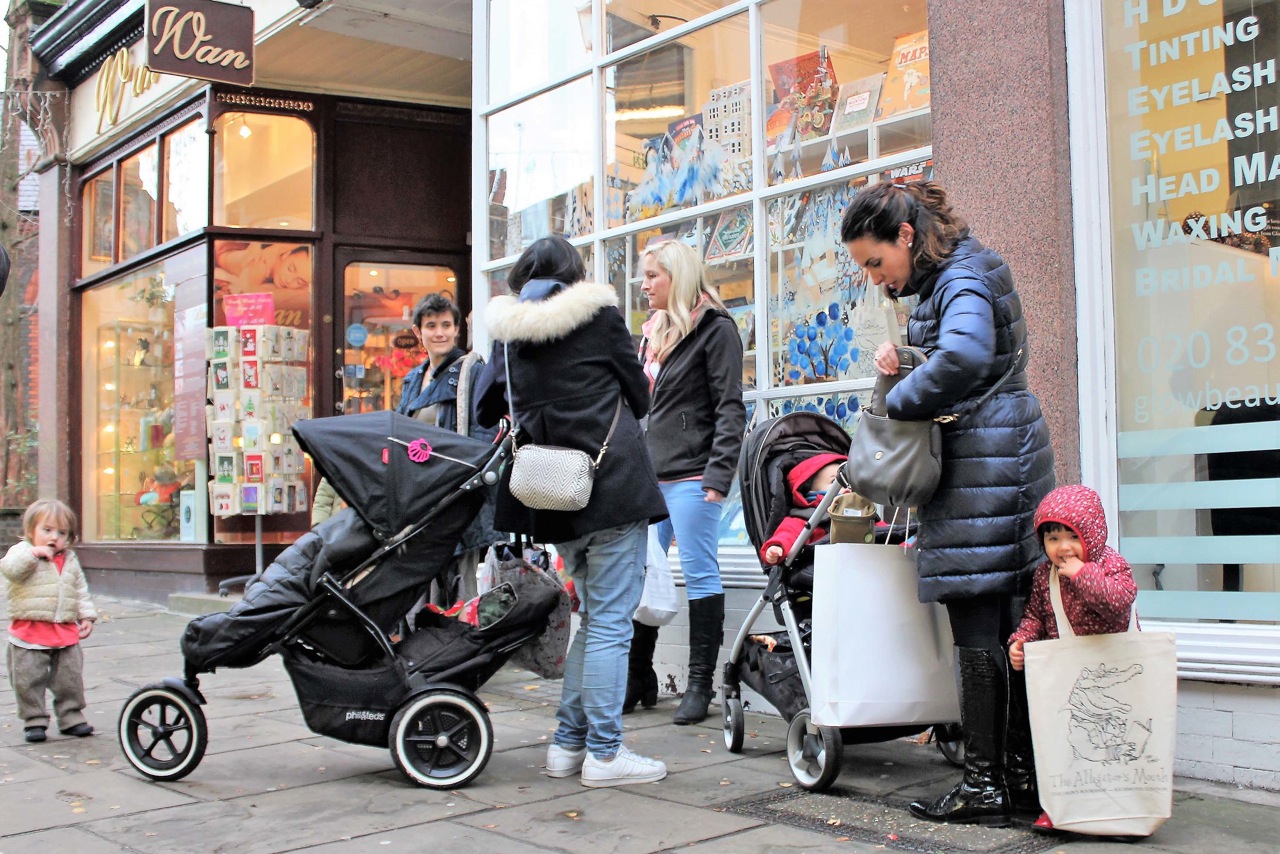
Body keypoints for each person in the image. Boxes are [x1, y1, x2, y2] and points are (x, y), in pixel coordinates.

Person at [842, 180, 1054, 827]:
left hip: (987, 461)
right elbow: (969, 356)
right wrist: (907, 357)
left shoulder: (960, 274)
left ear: (905, 235)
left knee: (978, 625)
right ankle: (1016, 777)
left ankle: (987, 783)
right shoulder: (962, 271)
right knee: (1005, 624)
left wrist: (901, 400)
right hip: (999, 454)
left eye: (876, 262)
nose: (876, 279)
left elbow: (964, 354)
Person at [475, 235, 669, 787]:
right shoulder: (598, 316)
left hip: (551, 495)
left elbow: (488, 406)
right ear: (574, 274)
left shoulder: (507, 332)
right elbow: (641, 394)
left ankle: (568, 744)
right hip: (610, 485)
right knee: (610, 624)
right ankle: (605, 753)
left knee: (593, 622)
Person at [627, 239, 746, 725]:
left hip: (695, 473)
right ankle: (639, 676)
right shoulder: (652, 332)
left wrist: (719, 475)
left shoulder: (715, 330)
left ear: (677, 277)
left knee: (699, 573)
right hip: (650, 478)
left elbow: (730, 407)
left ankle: (699, 685)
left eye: (653, 275)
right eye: (644, 275)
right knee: (640, 574)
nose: (644, 284)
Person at [1007, 484, 1138, 830]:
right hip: (1068, 679)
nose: (1063, 547)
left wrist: (1084, 575)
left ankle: (1120, 806)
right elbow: (1036, 614)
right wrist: (1021, 640)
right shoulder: (1043, 575)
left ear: (1091, 534)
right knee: (1063, 744)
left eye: (1072, 536)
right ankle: (1059, 806)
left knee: (1110, 746)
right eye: (1052, 538)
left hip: (1111, 675)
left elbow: (1118, 602)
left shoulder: (1110, 565)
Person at [398, 292, 499, 606]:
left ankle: (455, 647)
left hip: (456, 496)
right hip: (420, 498)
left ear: (457, 330)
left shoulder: (472, 372)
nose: (439, 332)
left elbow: (485, 438)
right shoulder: (413, 379)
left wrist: (465, 486)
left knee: (459, 590)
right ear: (419, 332)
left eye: (446, 324)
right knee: (421, 586)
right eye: (431, 325)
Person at [2, 499, 97, 744]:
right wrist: (33, 554)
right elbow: (10, 570)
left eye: (61, 532)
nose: (54, 537)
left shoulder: (69, 559)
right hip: (29, 632)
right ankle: (34, 718)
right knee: (27, 679)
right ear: (30, 531)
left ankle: (71, 716)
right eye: (47, 530)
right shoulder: (21, 552)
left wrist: (86, 615)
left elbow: (79, 588)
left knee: (69, 678)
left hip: (64, 630)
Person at [761, 452, 846, 566]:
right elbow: (788, 534)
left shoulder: (865, 515)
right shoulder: (805, 519)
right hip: (821, 571)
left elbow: (878, 529)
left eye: (848, 482)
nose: (845, 486)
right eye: (834, 482)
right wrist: (777, 547)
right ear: (812, 492)